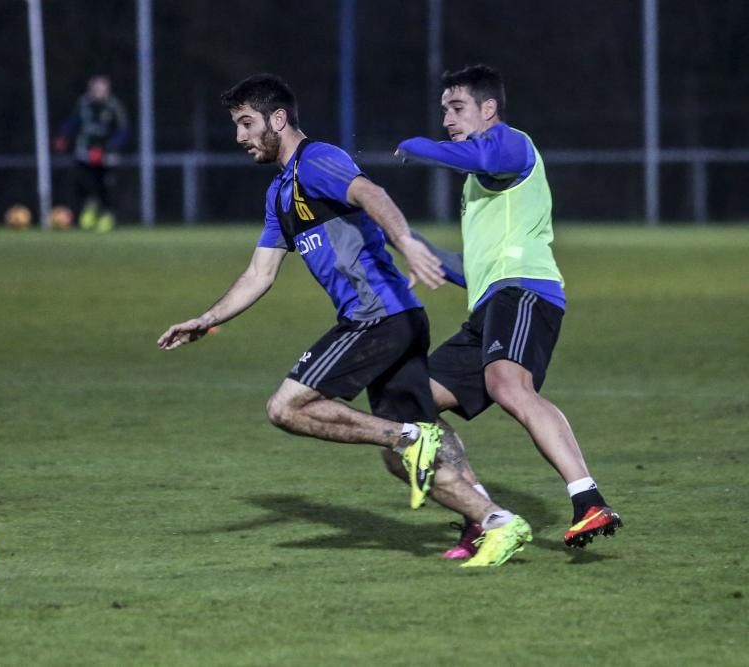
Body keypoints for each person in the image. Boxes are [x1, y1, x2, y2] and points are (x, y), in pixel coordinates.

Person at [158, 73, 533, 568]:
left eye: (247, 123)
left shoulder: (318, 160)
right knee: (409, 448)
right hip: (395, 318)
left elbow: (371, 193)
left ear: (278, 119)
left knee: (287, 407)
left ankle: (409, 437)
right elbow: (259, 273)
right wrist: (205, 320)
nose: (240, 137)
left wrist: (409, 244)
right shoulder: (279, 193)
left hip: (375, 318)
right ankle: (492, 522)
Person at [386, 64, 622, 558]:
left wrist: (414, 144)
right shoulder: (479, 179)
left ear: (487, 109)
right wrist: (420, 251)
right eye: (443, 110)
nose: (447, 119)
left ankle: (588, 501)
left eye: (456, 108)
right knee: (406, 408)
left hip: (526, 293)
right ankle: (484, 516)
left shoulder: (512, 144)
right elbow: (477, 268)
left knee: (509, 386)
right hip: (492, 303)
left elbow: (473, 155)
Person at [53, 75, 128, 232]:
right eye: (95, 89)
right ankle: (88, 213)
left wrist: (108, 148)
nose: (98, 92)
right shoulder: (83, 104)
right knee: (84, 185)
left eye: (101, 89)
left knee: (106, 188)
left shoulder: (113, 106)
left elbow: (122, 132)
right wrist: (63, 136)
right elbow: (73, 122)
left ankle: (107, 216)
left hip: (106, 157)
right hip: (85, 154)